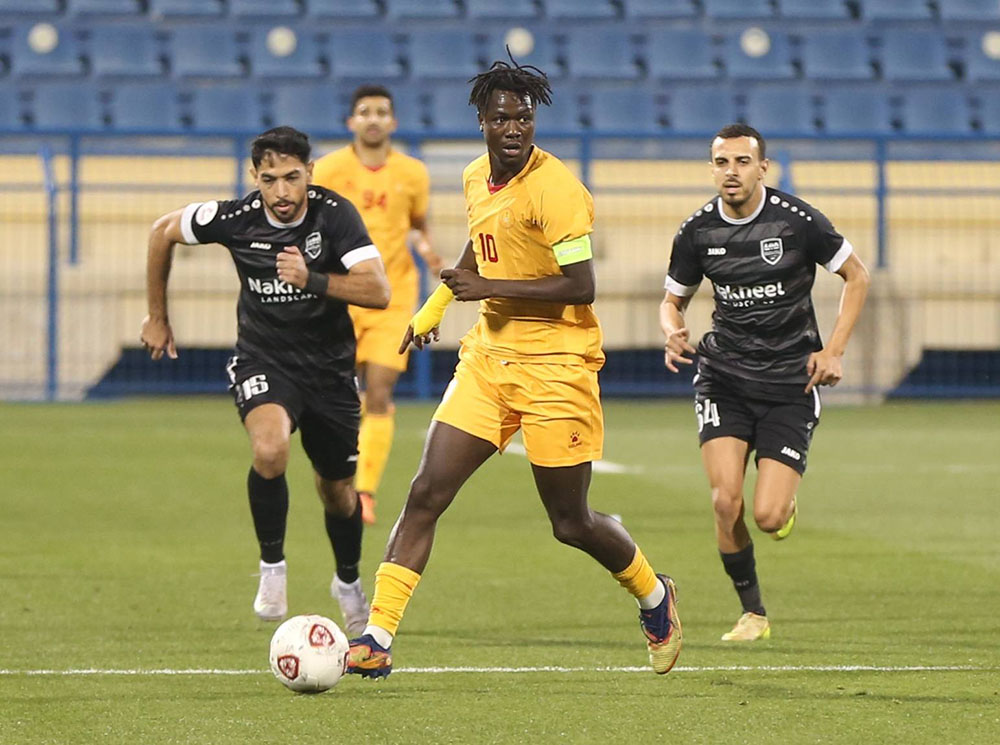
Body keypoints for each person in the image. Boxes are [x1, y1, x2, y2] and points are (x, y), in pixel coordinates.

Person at [345, 58, 682, 679]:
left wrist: (487, 287)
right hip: (489, 359)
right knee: (425, 493)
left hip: (558, 366)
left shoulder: (557, 190)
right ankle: (376, 637)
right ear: (481, 121)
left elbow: (581, 286)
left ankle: (654, 594)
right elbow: (484, 244)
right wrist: (436, 305)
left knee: (570, 522)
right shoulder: (475, 176)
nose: (514, 129)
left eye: (523, 118)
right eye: (501, 118)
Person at [140, 127, 391, 634]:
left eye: (292, 178)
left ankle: (347, 581)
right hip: (264, 361)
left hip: (330, 372)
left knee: (337, 491)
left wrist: (311, 278)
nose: (281, 191)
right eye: (269, 179)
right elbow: (162, 231)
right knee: (270, 450)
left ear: (309, 173)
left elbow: (379, 291)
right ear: (254, 176)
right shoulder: (236, 217)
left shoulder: (335, 215)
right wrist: (158, 317)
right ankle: (272, 569)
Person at [660, 123, 870, 642]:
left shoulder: (798, 221)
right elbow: (672, 300)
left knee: (768, 517)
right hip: (723, 379)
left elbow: (857, 275)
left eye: (741, 162)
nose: (731, 172)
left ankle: (784, 505)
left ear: (762, 168)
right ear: (711, 169)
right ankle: (753, 612)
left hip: (789, 386)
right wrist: (671, 331)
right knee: (723, 501)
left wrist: (834, 350)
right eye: (721, 162)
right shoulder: (697, 232)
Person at [312, 85, 443, 527]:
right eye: (365, 112)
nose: (373, 119)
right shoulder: (328, 170)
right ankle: (338, 473)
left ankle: (364, 490)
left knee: (380, 390)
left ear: (393, 122)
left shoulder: (413, 173)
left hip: (392, 295)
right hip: (342, 294)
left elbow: (418, 226)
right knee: (338, 394)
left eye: (381, 112)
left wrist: (431, 255)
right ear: (351, 121)